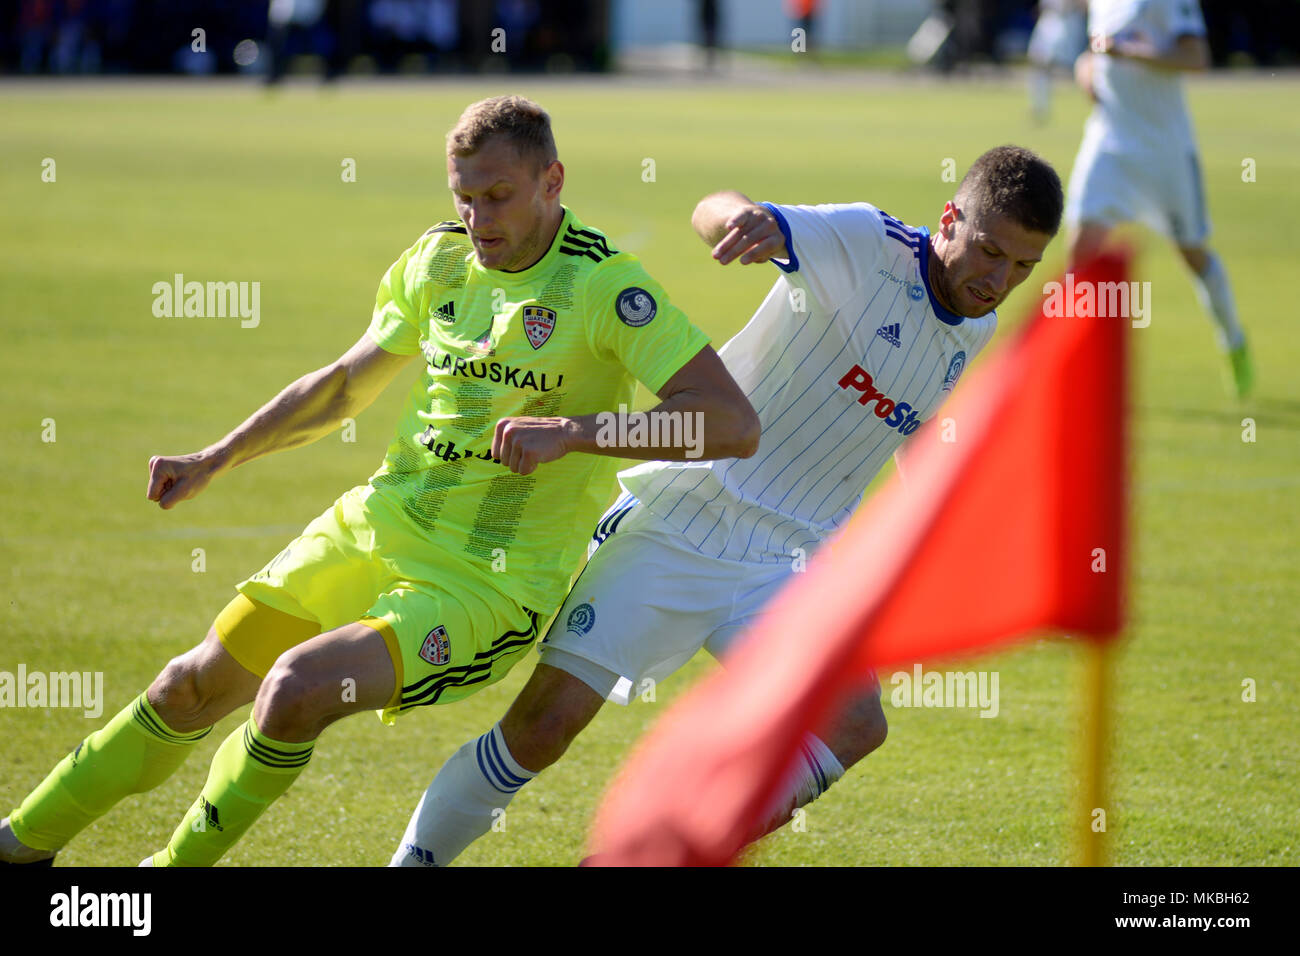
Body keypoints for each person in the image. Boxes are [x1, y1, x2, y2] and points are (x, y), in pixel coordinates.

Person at [0, 95, 758, 867]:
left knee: (296, 689)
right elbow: (340, 387)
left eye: (497, 196)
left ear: (551, 182)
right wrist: (215, 457)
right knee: (185, 688)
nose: (478, 217)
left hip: (486, 586)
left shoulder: (608, 288)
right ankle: (21, 844)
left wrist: (576, 434)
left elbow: (730, 423)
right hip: (378, 523)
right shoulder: (437, 260)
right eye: (463, 196)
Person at [391, 145, 1063, 866]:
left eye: (1023, 266)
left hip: (789, 564)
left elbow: (911, 427)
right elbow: (709, 206)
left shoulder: (976, 326)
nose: (999, 280)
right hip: (681, 520)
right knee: (543, 728)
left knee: (855, 724)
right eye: (990, 250)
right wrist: (738, 220)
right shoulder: (868, 243)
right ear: (950, 219)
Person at [1068, 0, 1251, 396]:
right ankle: (1078, 368)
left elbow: (1195, 57)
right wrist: (1087, 70)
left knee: (1192, 253)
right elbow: (1093, 52)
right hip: (1110, 143)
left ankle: (1233, 340)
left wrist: (1128, 51)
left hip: (1165, 151)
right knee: (1080, 254)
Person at [1027, 0, 1088, 123]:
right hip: (1048, 22)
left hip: (1066, 23)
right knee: (1039, 64)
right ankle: (1039, 107)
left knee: (1076, 68)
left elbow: (1084, 6)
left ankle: (1094, 104)